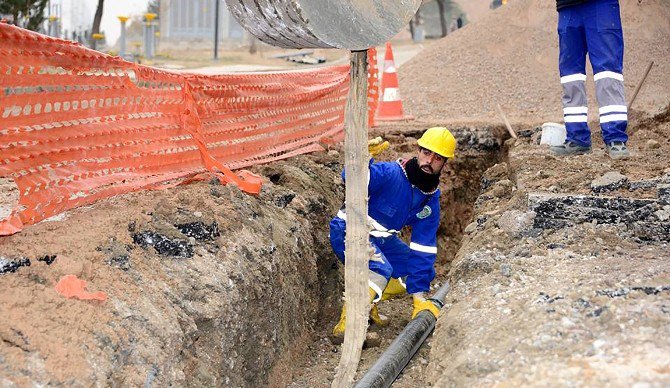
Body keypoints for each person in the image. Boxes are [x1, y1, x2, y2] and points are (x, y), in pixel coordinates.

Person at [329, 127, 456, 340]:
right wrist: (362, 159)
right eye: (426, 153)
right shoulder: (391, 174)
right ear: (418, 151)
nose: (429, 161)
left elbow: (423, 248)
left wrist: (419, 300)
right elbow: (350, 179)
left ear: (444, 163)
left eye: (437, 158)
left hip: (382, 239)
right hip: (350, 229)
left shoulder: (430, 199)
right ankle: (348, 325)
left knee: (418, 272)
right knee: (380, 269)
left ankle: (369, 302)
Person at [551, 0, 630, 159]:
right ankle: (577, 138)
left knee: (607, 71)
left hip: (600, 5)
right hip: (567, 7)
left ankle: (615, 139)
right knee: (571, 75)